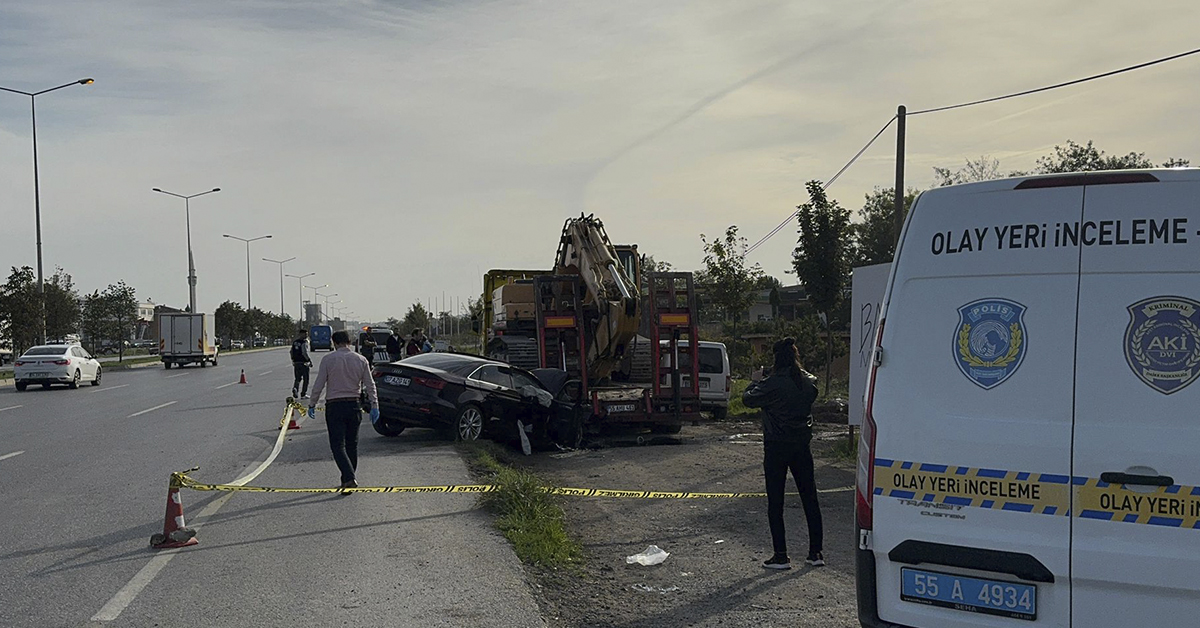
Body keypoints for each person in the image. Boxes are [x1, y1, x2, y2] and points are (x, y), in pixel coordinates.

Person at [742, 337, 823, 570]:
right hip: (802, 446)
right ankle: (815, 552)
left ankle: (781, 555)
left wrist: (754, 381)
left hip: (777, 445)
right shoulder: (808, 382)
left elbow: (748, 400)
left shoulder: (773, 383)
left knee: (776, 502)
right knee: (810, 499)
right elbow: (807, 382)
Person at [308, 330, 379, 490]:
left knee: (337, 445)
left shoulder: (328, 359)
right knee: (351, 445)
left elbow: (319, 384)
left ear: (334, 343)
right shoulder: (361, 360)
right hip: (354, 405)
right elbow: (370, 384)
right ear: (350, 342)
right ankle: (347, 480)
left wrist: (312, 403)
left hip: (334, 405)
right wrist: (375, 405)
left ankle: (349, 477)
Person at [290, 329, 312, 399]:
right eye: (305, 334)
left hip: (296, 363)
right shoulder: (304, 342)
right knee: (306, 379)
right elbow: (304, 352)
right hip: (303, 363)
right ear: (301, 334)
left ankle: (295, 388)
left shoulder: (295, 342)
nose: (306, 335)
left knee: (297, 378)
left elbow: (291, 352)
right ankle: (303, 394)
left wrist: (293, 360)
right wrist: (309, 360)